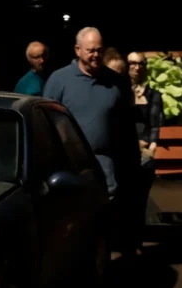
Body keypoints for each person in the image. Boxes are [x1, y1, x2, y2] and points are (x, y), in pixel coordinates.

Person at [42, 27, 141, 260]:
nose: (95, 55)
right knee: (73, 214)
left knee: (105, 211)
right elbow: (47, 121)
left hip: (105, 160)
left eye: (99, 50)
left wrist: (132, 158)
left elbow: (127, 125)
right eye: (90, 51)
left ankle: (101, 257)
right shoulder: (59, 80)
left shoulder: (116, 82)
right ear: (77, 50)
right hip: (69, 163)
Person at [127, 51, 164, 255]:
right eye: (132, 63)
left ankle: (136, 242)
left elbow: (155, 124)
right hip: (123, 150)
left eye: (140, 63)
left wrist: (150, 146)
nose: (136, 67)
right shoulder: (119, 91)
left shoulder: (153, 95)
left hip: (143, 153)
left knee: (139, 200)